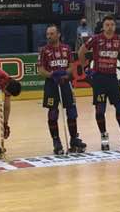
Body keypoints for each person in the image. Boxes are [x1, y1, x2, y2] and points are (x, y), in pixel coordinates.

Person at [78, 14, 120, 151]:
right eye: (107, 25)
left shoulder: (119, 40)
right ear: (103, 26)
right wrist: (85, 68)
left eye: (112, 25)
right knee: (100, 110)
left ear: (115, 26)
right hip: (99, 79)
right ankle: (104, 136)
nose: (110, 27)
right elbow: (81, 51)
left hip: (112, 78)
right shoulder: (96, 39)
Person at [37, 25, 86, 155]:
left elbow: (71, 66)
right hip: (51, 84)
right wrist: (52, 75)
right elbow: (40, 70)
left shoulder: (66, 48)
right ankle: (56, 141)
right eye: (47, 34)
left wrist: (64, 74)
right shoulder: (44, 50)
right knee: (53, 113)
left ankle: (74, 139)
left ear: (58, 34)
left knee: (71, 111)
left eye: (51, 34)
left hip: (65, 83)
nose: (49, 36)